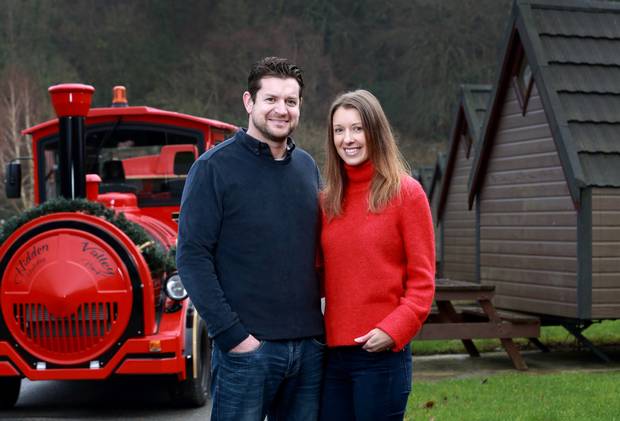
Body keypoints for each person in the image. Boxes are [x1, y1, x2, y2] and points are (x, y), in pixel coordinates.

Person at [177, 57, 324, 421]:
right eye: (271, 99)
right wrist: (233, 337)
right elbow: (192, 257)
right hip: (248, 352)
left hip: (309, 349)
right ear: (249, 102)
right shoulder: (213, 168)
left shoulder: (308, 168)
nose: (281, 110)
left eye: (291, 101)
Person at [319, 89, 435, 421]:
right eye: (339, 130)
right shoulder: (327, 202)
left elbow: (423, 284)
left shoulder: (406, 194)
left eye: (357, 128)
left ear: (376, 132)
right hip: (332, 356)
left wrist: (394, 329)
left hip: (382, 355)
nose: (348, 139)